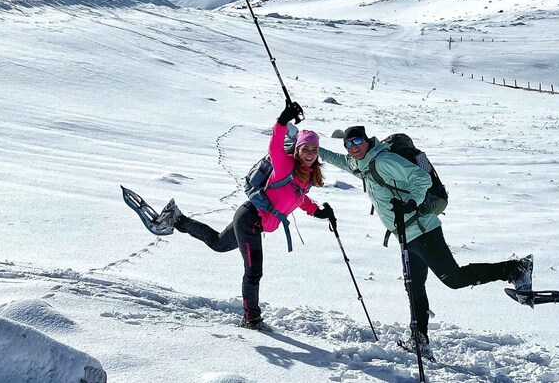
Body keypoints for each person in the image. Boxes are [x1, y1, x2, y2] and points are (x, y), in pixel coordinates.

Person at [318, 125, 532, 352]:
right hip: (406, 236)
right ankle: (419, 340)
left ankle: (515, 268)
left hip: (423, 231)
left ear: (367, 140)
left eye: (357, 141)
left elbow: (421, 179)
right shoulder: (362, 165)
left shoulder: (383, 161)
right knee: (414, 287)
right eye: (348, 144)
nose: (352, 148)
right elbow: (339, 160)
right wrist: (311, 147)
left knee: (454, 279)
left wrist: (412, 201)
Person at [151, 102, 335, 330]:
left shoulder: (306, 177)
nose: (309, 154)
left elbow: (300, 198)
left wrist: (319, 212)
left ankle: (177, 219)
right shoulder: (285, 164)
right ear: (297, 150)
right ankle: (251, 319)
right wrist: (281, 121)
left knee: (218, 243)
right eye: (305, 149)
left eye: (313, 150)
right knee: (254, 271)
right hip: (249, 219)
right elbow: (276, 147)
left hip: (253, 222)